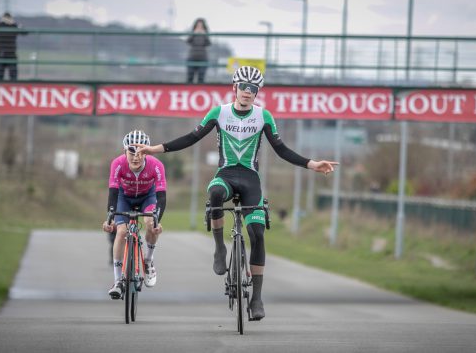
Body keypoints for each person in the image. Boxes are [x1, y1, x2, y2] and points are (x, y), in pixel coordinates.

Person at [135, 66, 339, 320]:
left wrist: (313, 164)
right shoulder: (219, 113)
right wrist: (155, 149)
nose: (247, 92)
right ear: (235, 88)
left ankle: (256, 299)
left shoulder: (264, 116)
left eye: (253, 89)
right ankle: (220, 248)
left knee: (257, 234)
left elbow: (282, 150)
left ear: (257, 93)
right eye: (243, 87)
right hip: (227, 175)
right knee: (216, 193)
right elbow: (191, 138)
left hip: (251, 180)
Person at [102, 130, 166, 299]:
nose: (136, 157)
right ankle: (117, 281)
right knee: (121, 231)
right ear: (125, 151)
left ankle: (148, 260)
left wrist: (157, 220)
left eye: (141, 152)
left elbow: (161, 196)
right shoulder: (117, 164)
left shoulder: (156, 165)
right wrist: (109, 218)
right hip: (124, 198)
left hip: (148, 197)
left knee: (150, 223)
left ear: (147, 152)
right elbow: (113, 192)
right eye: (132, 152)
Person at [0, 12, 28, 81]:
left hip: (2, 53)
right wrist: (17, 25)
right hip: (8, 54)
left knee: (0, 76)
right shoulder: (13, 26)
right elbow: (25, 32)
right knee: (12, 77)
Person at [186, 18, 211, 84]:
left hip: (203, 57)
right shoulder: (193, 33)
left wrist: (204, 35)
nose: (199, 27)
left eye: (201, 26)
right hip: (192, 57)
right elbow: (188, 41)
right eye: (198, 25)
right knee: (190, 77)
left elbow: (208, 43)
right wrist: (194, 33)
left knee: (201, 77)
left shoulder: (205, 34)